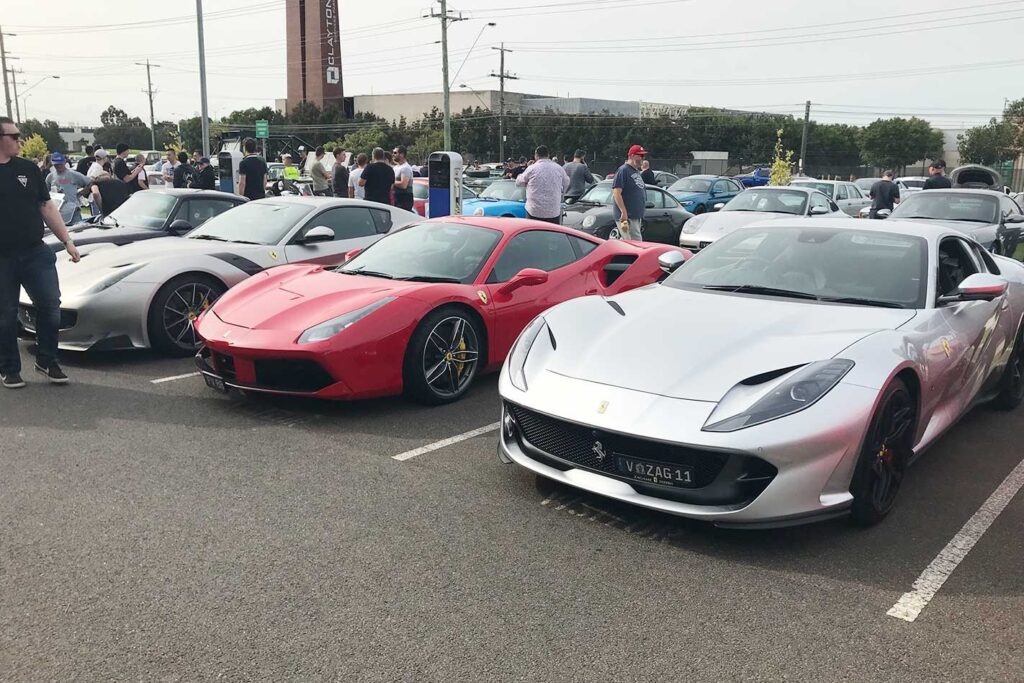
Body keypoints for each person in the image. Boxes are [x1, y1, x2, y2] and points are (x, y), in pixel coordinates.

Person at [0, 116, 82, 388]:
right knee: (6, 314)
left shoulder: (28, 169)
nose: (19, 140)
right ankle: (9, 368)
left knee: (50, 307)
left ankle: (47, 361)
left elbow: (46, 206)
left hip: (35, 252)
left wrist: (67, 240)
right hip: (2, 258)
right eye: (14, 136)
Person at [516, 145, 570, 224]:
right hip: (553, 211)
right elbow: (567, 182)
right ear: (548, 155)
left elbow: (518, 182)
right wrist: (561, 192)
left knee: (533, 231)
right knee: (552, 231)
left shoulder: (532, 168)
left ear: (536, 155)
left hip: (534, 211)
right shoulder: (559, 168)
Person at [611, 144, 649, 241]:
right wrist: (623, 211)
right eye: (640, 155)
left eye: (643, 156)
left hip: (635, 216)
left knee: (630, 243)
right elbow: (616, 192)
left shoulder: (635, 171)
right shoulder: (623, 170)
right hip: (628, 217)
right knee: (634, 244)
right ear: (632, 156)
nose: (642, 158)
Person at [45, 153, 90, 225]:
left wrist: (81, 193)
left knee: (78, 229)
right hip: (58, 211)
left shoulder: (73, 174)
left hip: (73, 210)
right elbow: (45, 193)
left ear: (64, 162)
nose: (58, 166)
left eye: (60, 164)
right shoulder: (50, 177)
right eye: (56, 164)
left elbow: (90, 182)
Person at [391, 145, 415, 211]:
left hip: (404, 200)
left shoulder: (405, 168)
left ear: (401, 154)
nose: (393, 154)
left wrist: (391, 181)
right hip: (396, 198)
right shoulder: (395, 168)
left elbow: (403, 185)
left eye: (395, 153)